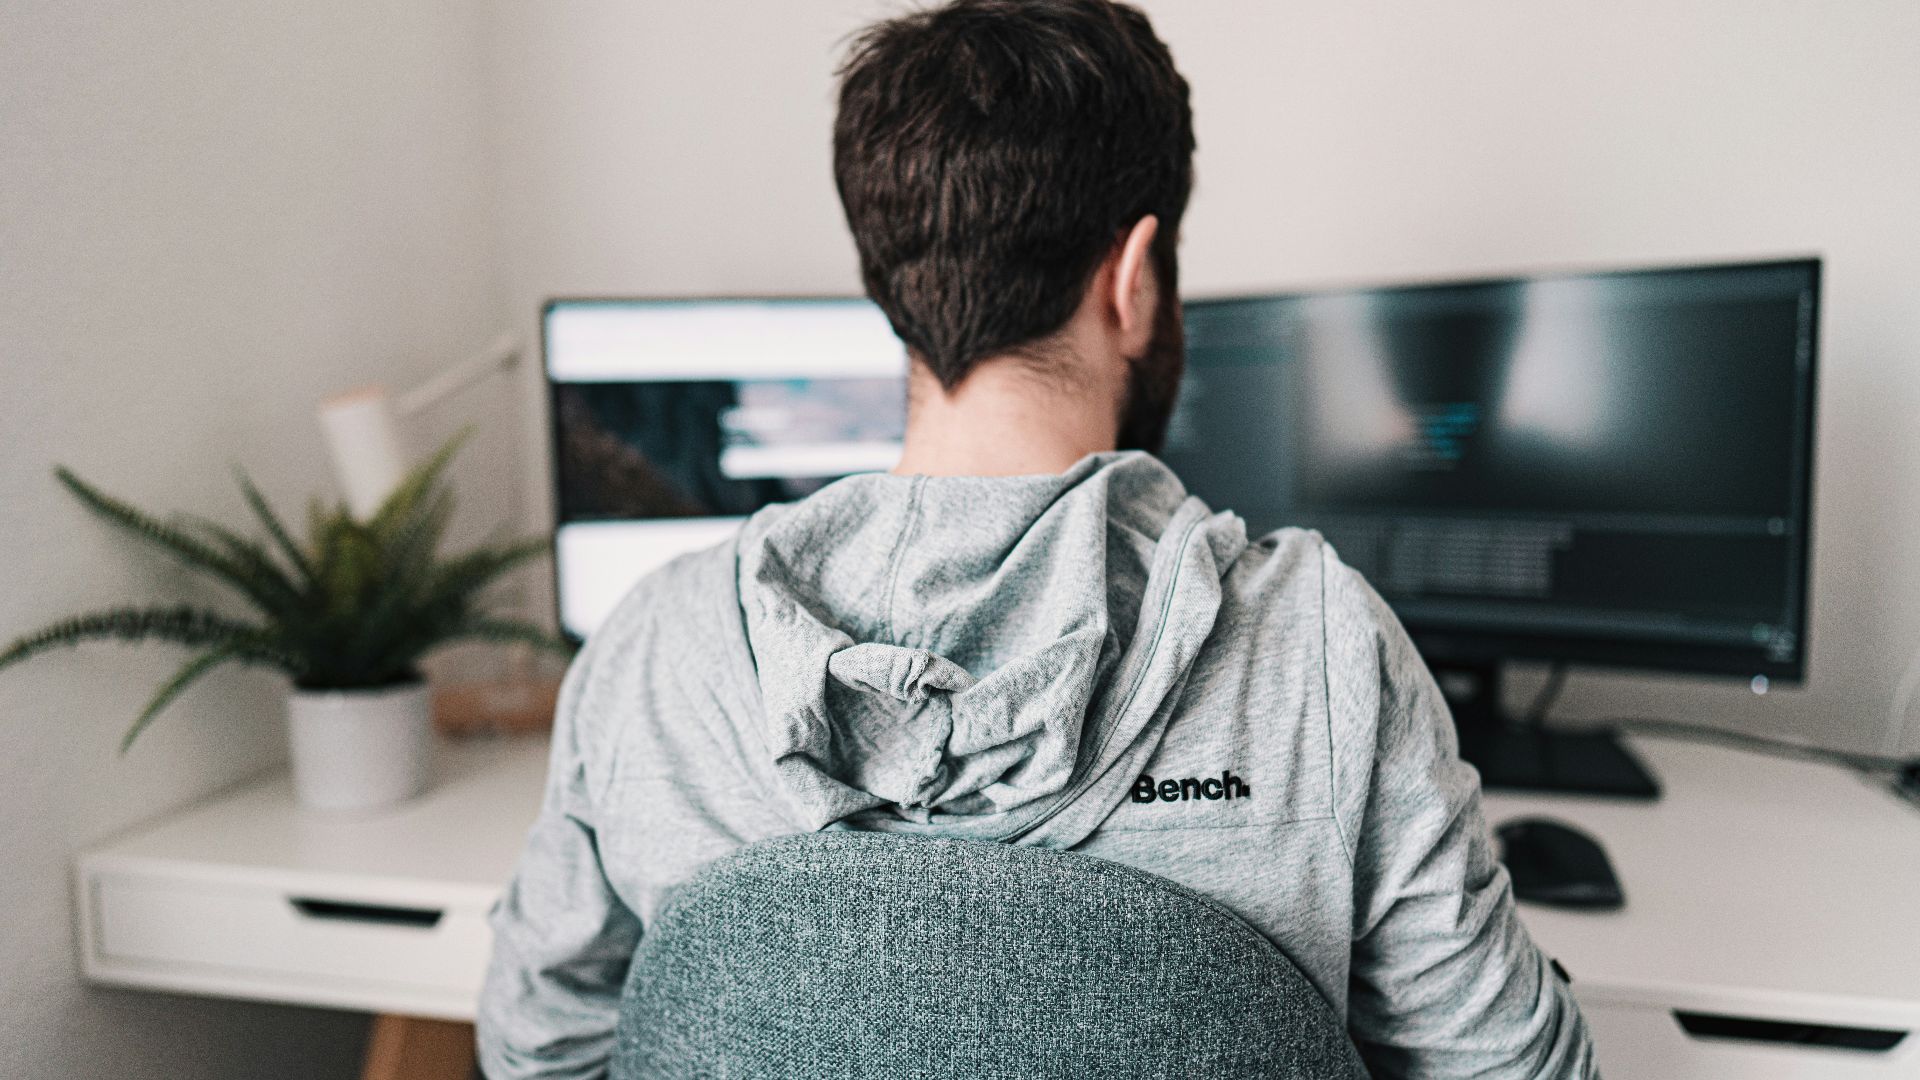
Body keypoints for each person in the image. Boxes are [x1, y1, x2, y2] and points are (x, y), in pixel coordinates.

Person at [477, 1, 1597, 1076]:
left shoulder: (651, 654)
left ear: (893, 286)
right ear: (1132, 279)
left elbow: (541, 1051)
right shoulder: (1317, 648)